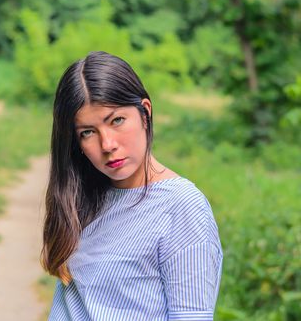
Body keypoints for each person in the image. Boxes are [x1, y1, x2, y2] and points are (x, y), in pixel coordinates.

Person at [42, 51, 223, 320]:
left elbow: (191, 315)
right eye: (88, 132)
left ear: (145, 114)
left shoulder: (182, 206)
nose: (107, 145)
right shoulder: (84, 195)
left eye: (117, 121)